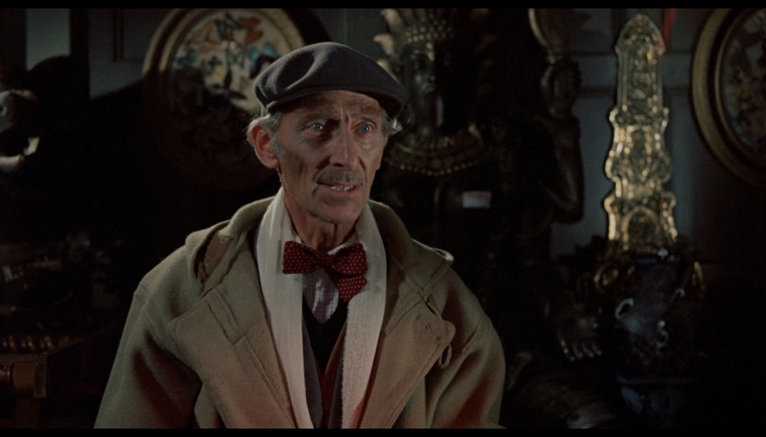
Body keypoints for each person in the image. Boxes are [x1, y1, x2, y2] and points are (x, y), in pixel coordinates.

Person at [93, 41, 505, 428]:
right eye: (319, 126)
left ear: (382, 147)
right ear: (266, 144)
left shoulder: (446, 303)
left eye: (365, 129)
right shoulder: (180, 289)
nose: (346, 156)